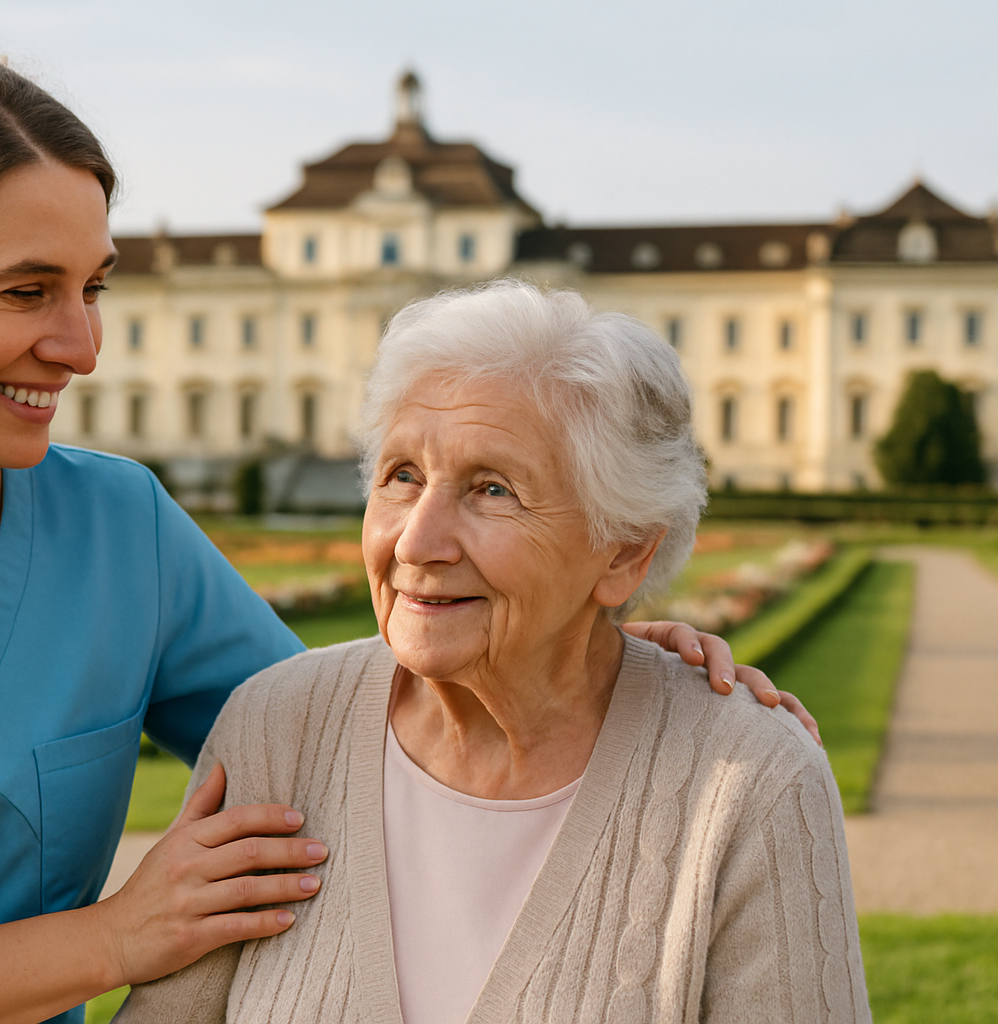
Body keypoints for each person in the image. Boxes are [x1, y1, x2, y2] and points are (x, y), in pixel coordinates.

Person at [0, 49, 810, 1024]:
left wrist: (601, 653)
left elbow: (354, 740)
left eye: (93, 286)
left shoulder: (119, 526)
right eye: (28, 290)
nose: (82, 344)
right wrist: (113, 939)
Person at [117, 281, 869, 1023]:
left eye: (493, 490)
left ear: (624, 553)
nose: (416, 541)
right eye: (402, 476)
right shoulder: (274, 728)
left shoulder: (750, 786)